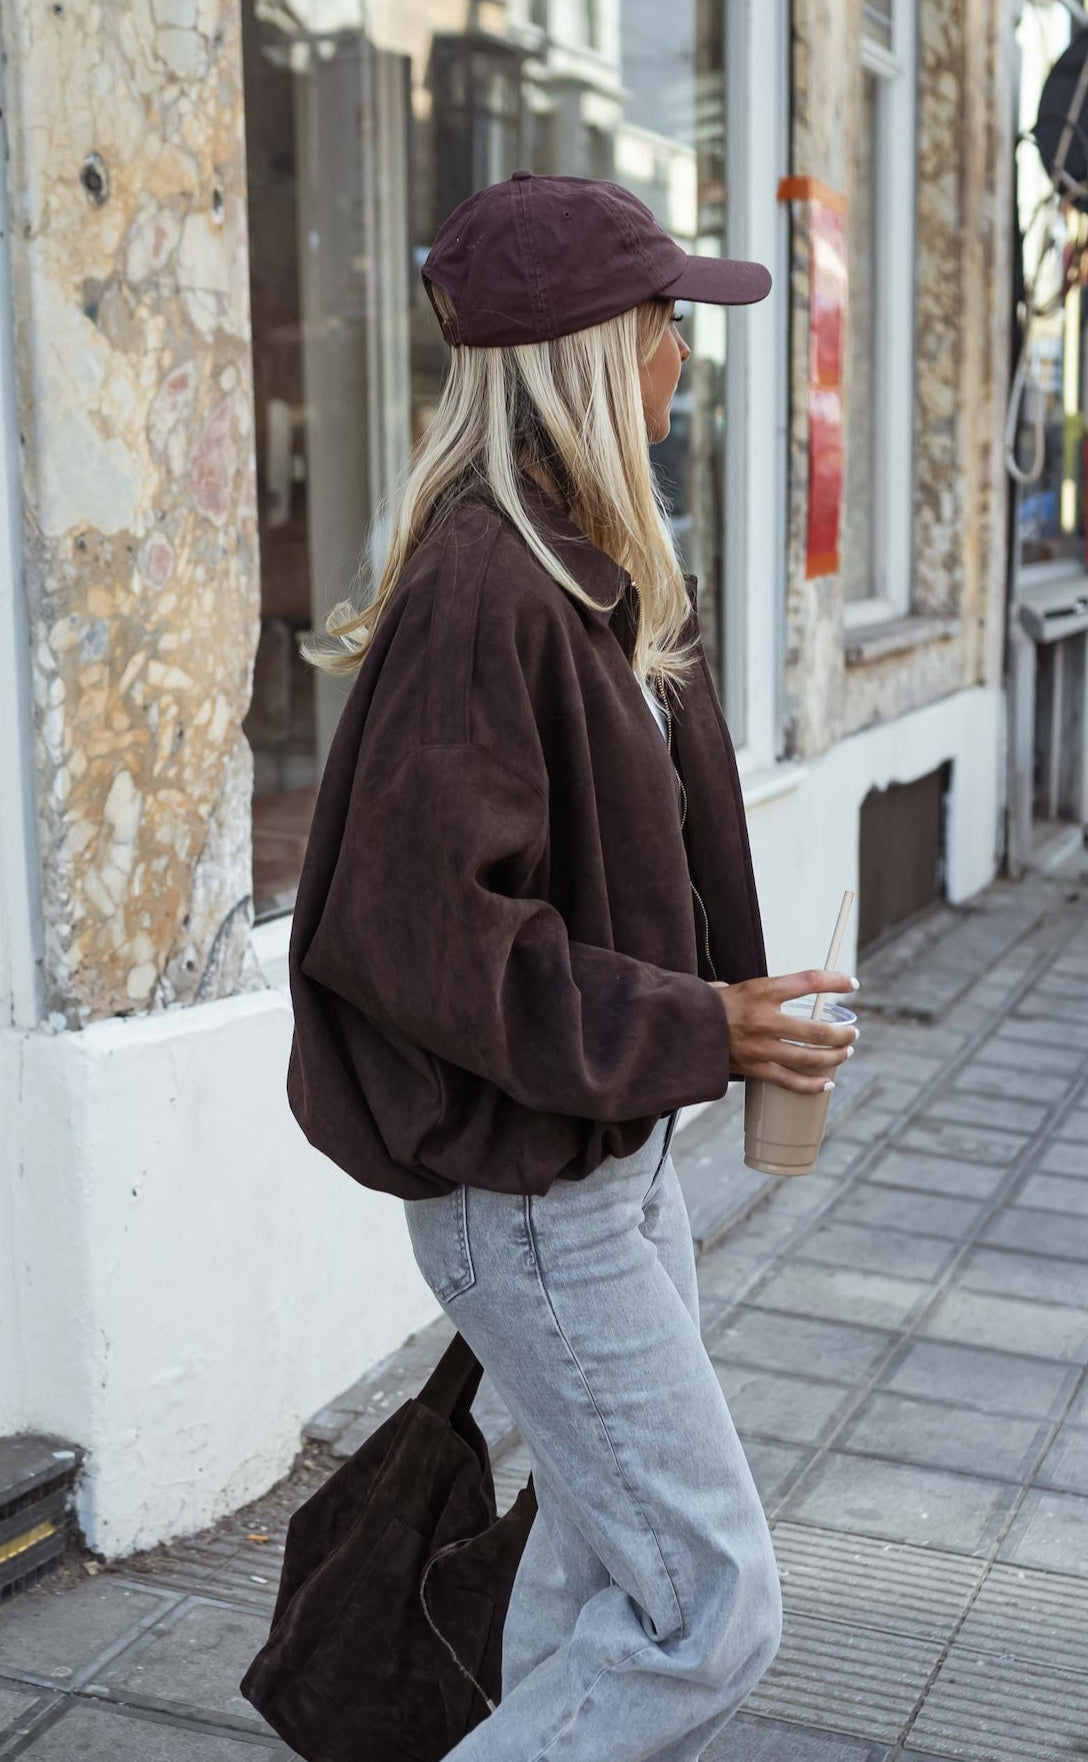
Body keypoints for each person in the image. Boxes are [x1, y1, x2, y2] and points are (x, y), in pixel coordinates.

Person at [287, 171, 860, 1761]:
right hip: (528, 1195)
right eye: (670, 318)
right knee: (715, 1603)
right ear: (595, 348)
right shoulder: (490, 578)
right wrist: (705, 1023)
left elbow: (652, 846)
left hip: (595, 1167)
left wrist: (736, 1019)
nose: (688, 348)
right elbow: (429, 940)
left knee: (603, 1568)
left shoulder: (581, 558)